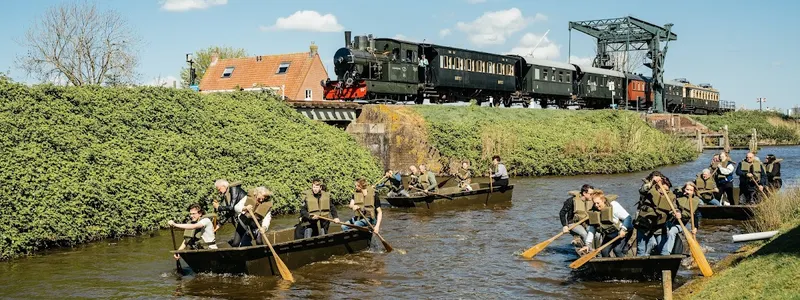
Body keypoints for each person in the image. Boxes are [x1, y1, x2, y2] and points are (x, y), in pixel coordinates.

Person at [580, 190, 631, 257]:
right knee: (604, 251)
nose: (596, 205)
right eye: (594, 203)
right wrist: (587, 244)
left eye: (598, 203)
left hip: (623, 232)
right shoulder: (594, 212)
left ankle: (624, 265)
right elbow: (592, 230)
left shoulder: (613, 205)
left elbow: (628, 218)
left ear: (603, 200)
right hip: (610, 234)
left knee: (617, 250)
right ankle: (609, 266)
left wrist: (623, 229)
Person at [634, 171, 674, 256]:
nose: (663, 192)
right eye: (661, 190)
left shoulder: (670, 196)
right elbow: (643, 190)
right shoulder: (648, 191)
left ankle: (665, 267)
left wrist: (676, 213)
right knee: (641, 250)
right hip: (645, 224)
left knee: (663, 250)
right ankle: (641, 267)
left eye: (666, 190)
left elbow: (674, 207)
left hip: (660, 225)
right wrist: (652, 182)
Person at [657, 182, 701, 255]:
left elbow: (695, 216)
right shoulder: (678, 196)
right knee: (662, 233)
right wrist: (676, 212)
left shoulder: (696, 201)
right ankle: (660, 249)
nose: (688, 192)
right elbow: (673, 206)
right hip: (670, 220)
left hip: (681, 224)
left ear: (694, 191)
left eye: (690, 190)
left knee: (672, 232)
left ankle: (665, 253)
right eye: (687, 189)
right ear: (684, 189)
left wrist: (695, 227)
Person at [213, 179, 250, 247]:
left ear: (223, 186)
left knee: (243, 242)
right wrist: (218, 225)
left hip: (246, 218)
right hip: (240, 219)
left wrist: (219, 207)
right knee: (235, 243)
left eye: (219, 189)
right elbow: (230, 212)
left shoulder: (234, 189)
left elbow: (232, 207)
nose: (219, 192)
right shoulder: (227, 195)